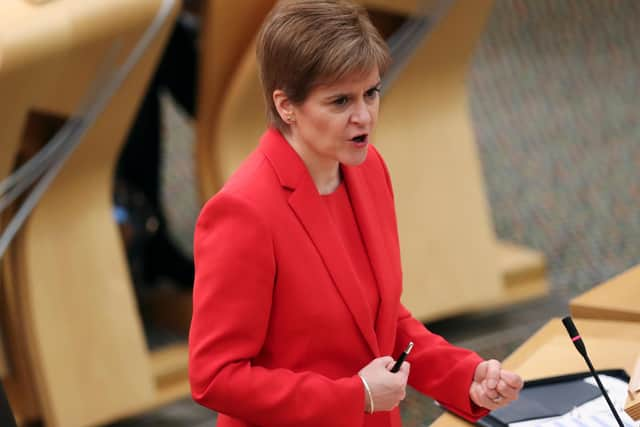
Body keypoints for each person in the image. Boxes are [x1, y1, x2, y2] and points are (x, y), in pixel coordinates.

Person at [188, 1, 523, 426]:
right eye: (340, 101)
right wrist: (355, 394)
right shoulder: (243, 212)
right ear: (286, 105)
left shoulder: (368, 170)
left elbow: (381, 318)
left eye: (371, 92)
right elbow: (214, 377)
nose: (363, 116)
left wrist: (462, 376)